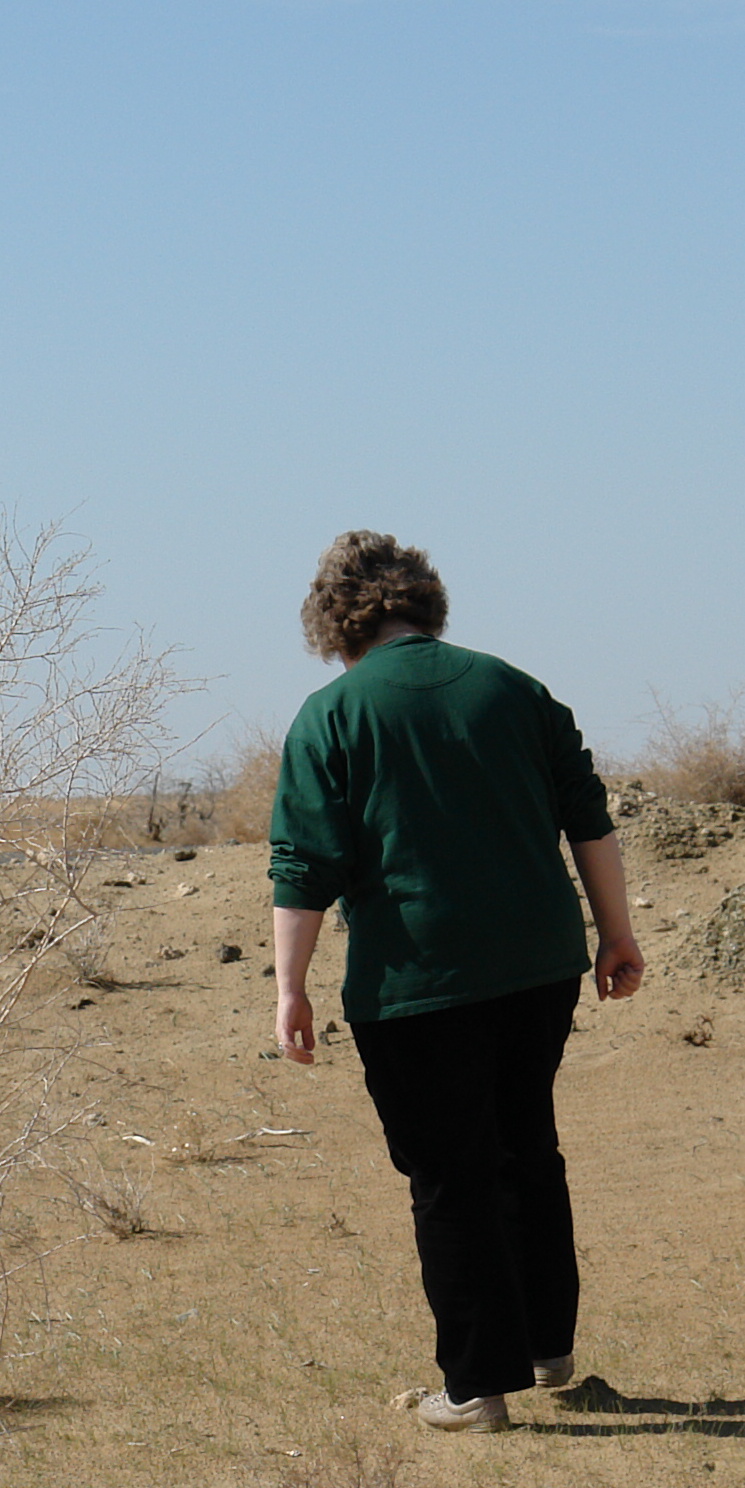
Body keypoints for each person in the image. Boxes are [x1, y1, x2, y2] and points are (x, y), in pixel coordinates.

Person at [267, 531, 644, 1431]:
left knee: (449, 1176)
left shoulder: (332, 714)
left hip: (417, 984)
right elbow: (588, 820)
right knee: (525, 1146)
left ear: (334, 621)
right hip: (540, 967)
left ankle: (477, 1387)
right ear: (425, 601)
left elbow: (304, 864)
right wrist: (617, 935)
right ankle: (548, 1346)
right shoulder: (514, 688)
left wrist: (290, 988)